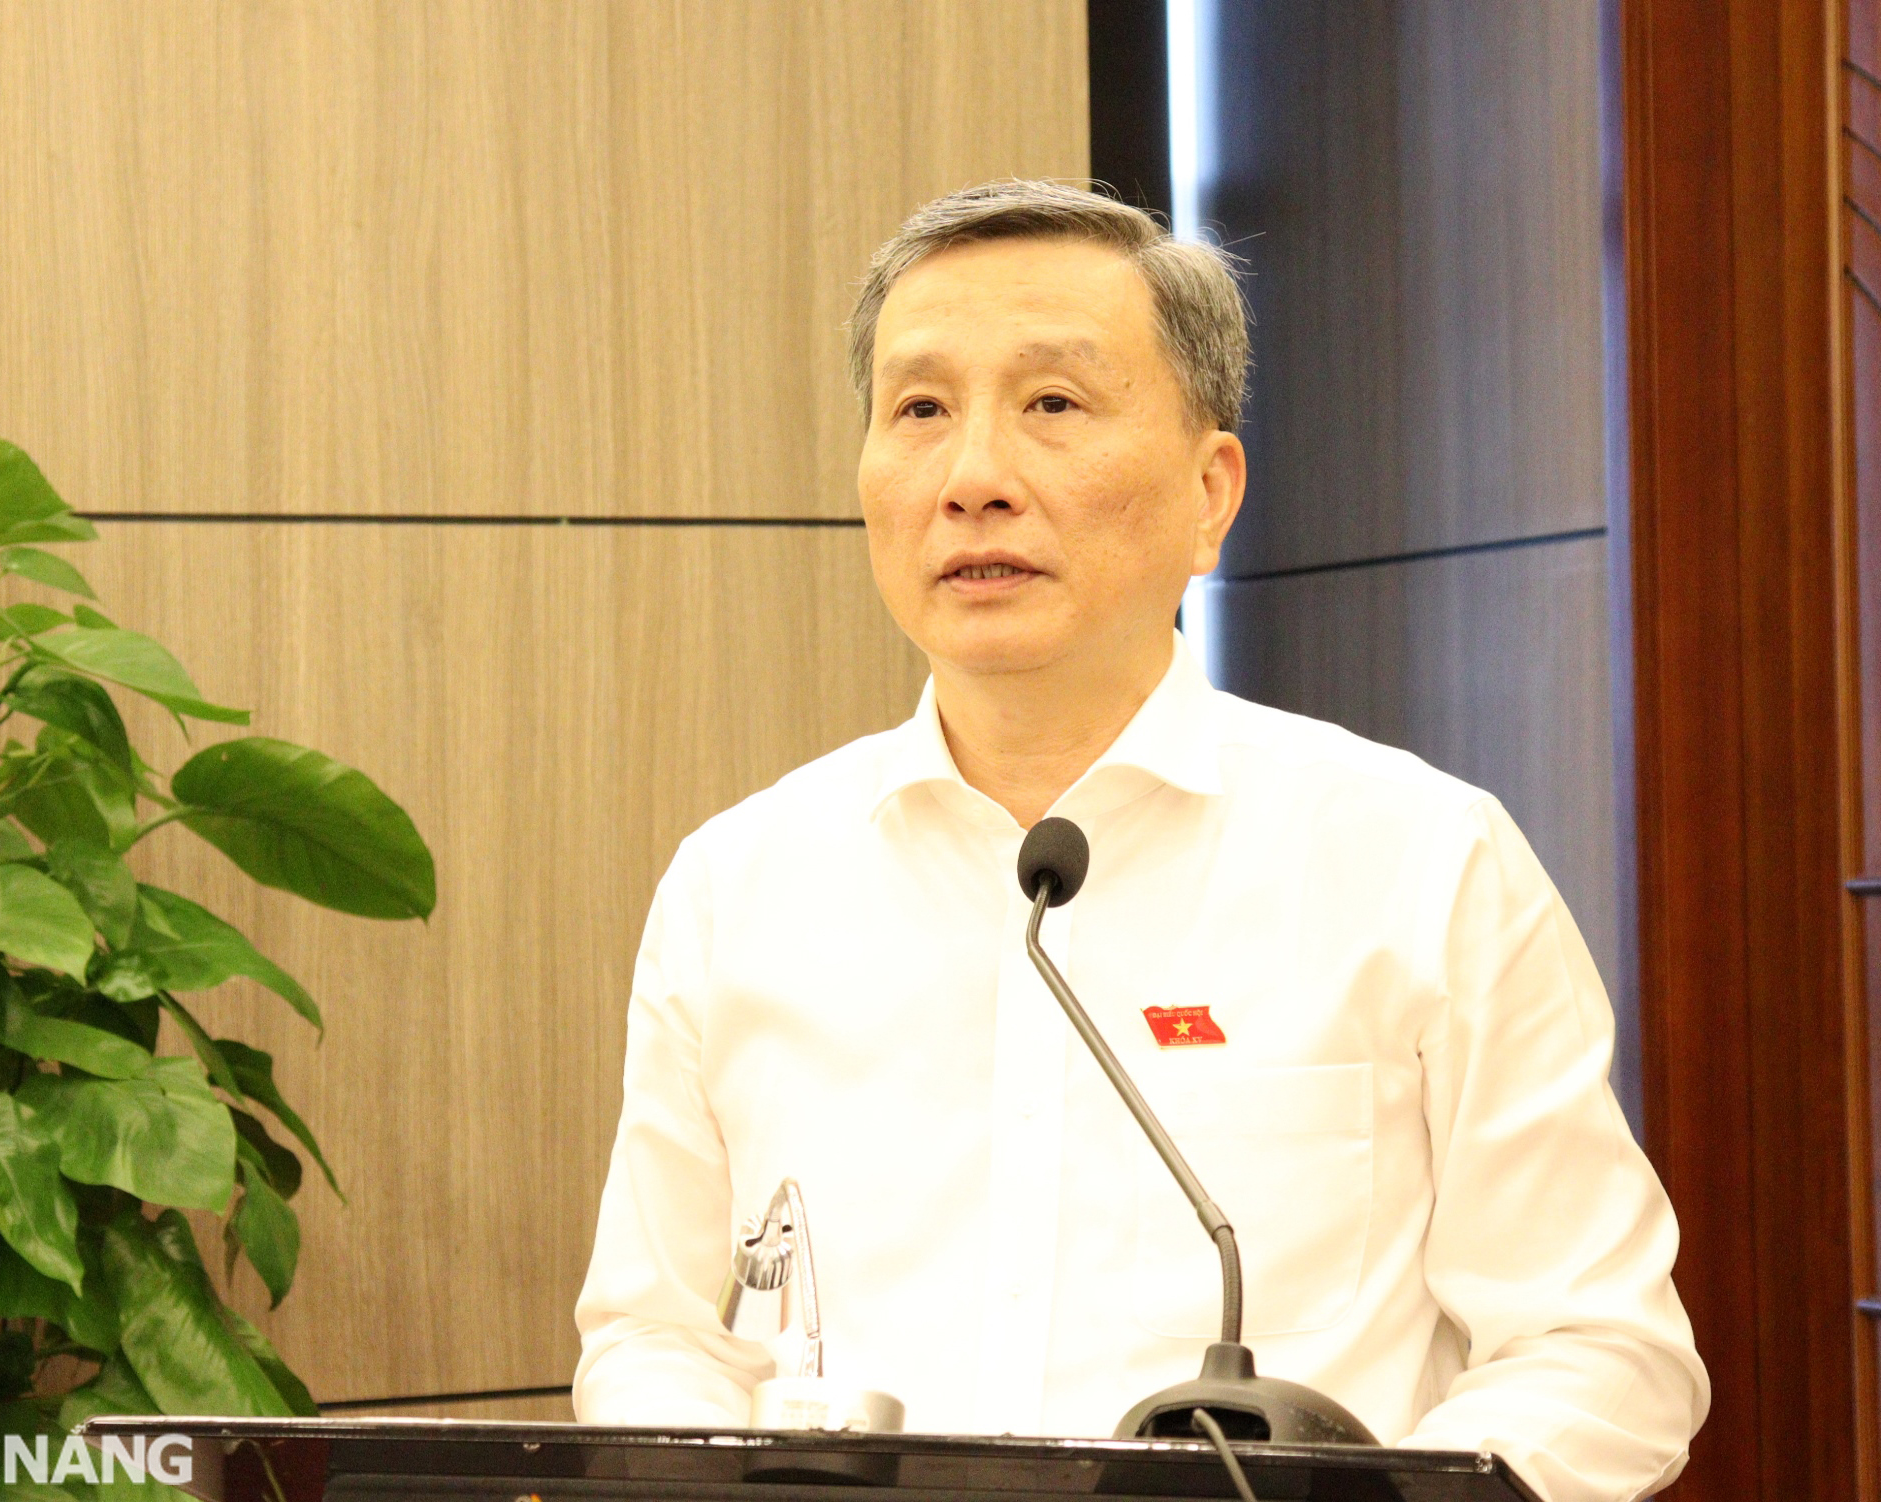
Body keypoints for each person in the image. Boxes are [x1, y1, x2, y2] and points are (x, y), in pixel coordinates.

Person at [571, 180, 1708, 1502]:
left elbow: (1601, 1349)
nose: (976, 478)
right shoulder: (740, 886)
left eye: (1052, 406)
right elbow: (655, 1333)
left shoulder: (1421, 863)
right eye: (921, 410)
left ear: (1209, 491)